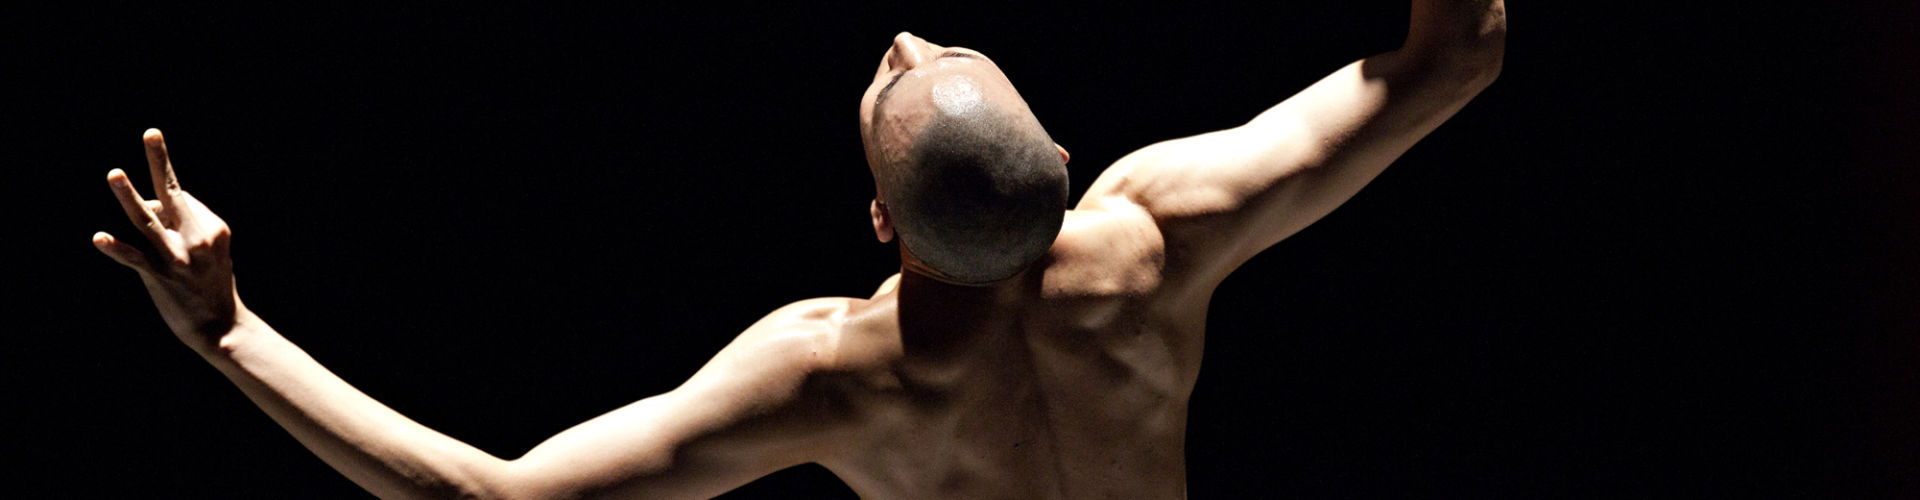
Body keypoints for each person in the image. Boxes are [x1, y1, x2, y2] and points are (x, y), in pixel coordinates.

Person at [91, 1, 1505, 498]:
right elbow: (1457, 52)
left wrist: (228, 330)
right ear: (1065, 166)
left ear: (883, 227)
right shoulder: (1155, 237)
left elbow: (491, 497)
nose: (904, 35)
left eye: (910, 70)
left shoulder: (838, 373)